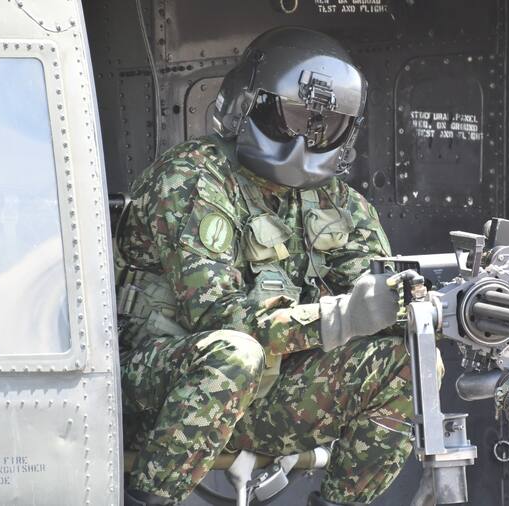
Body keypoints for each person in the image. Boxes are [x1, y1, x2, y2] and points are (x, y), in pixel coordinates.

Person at [115, 27, 413, 505]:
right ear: (248, 104)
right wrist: (341, 318)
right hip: (156, 388)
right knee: (236, 354)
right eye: (293, 117)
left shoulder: (340, 203)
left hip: (261, 394)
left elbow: (373, 287)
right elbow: (219, 319)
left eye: (325, 125)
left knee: (410, 365)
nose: (306, 138)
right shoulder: (192, 177)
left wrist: (432, 308)